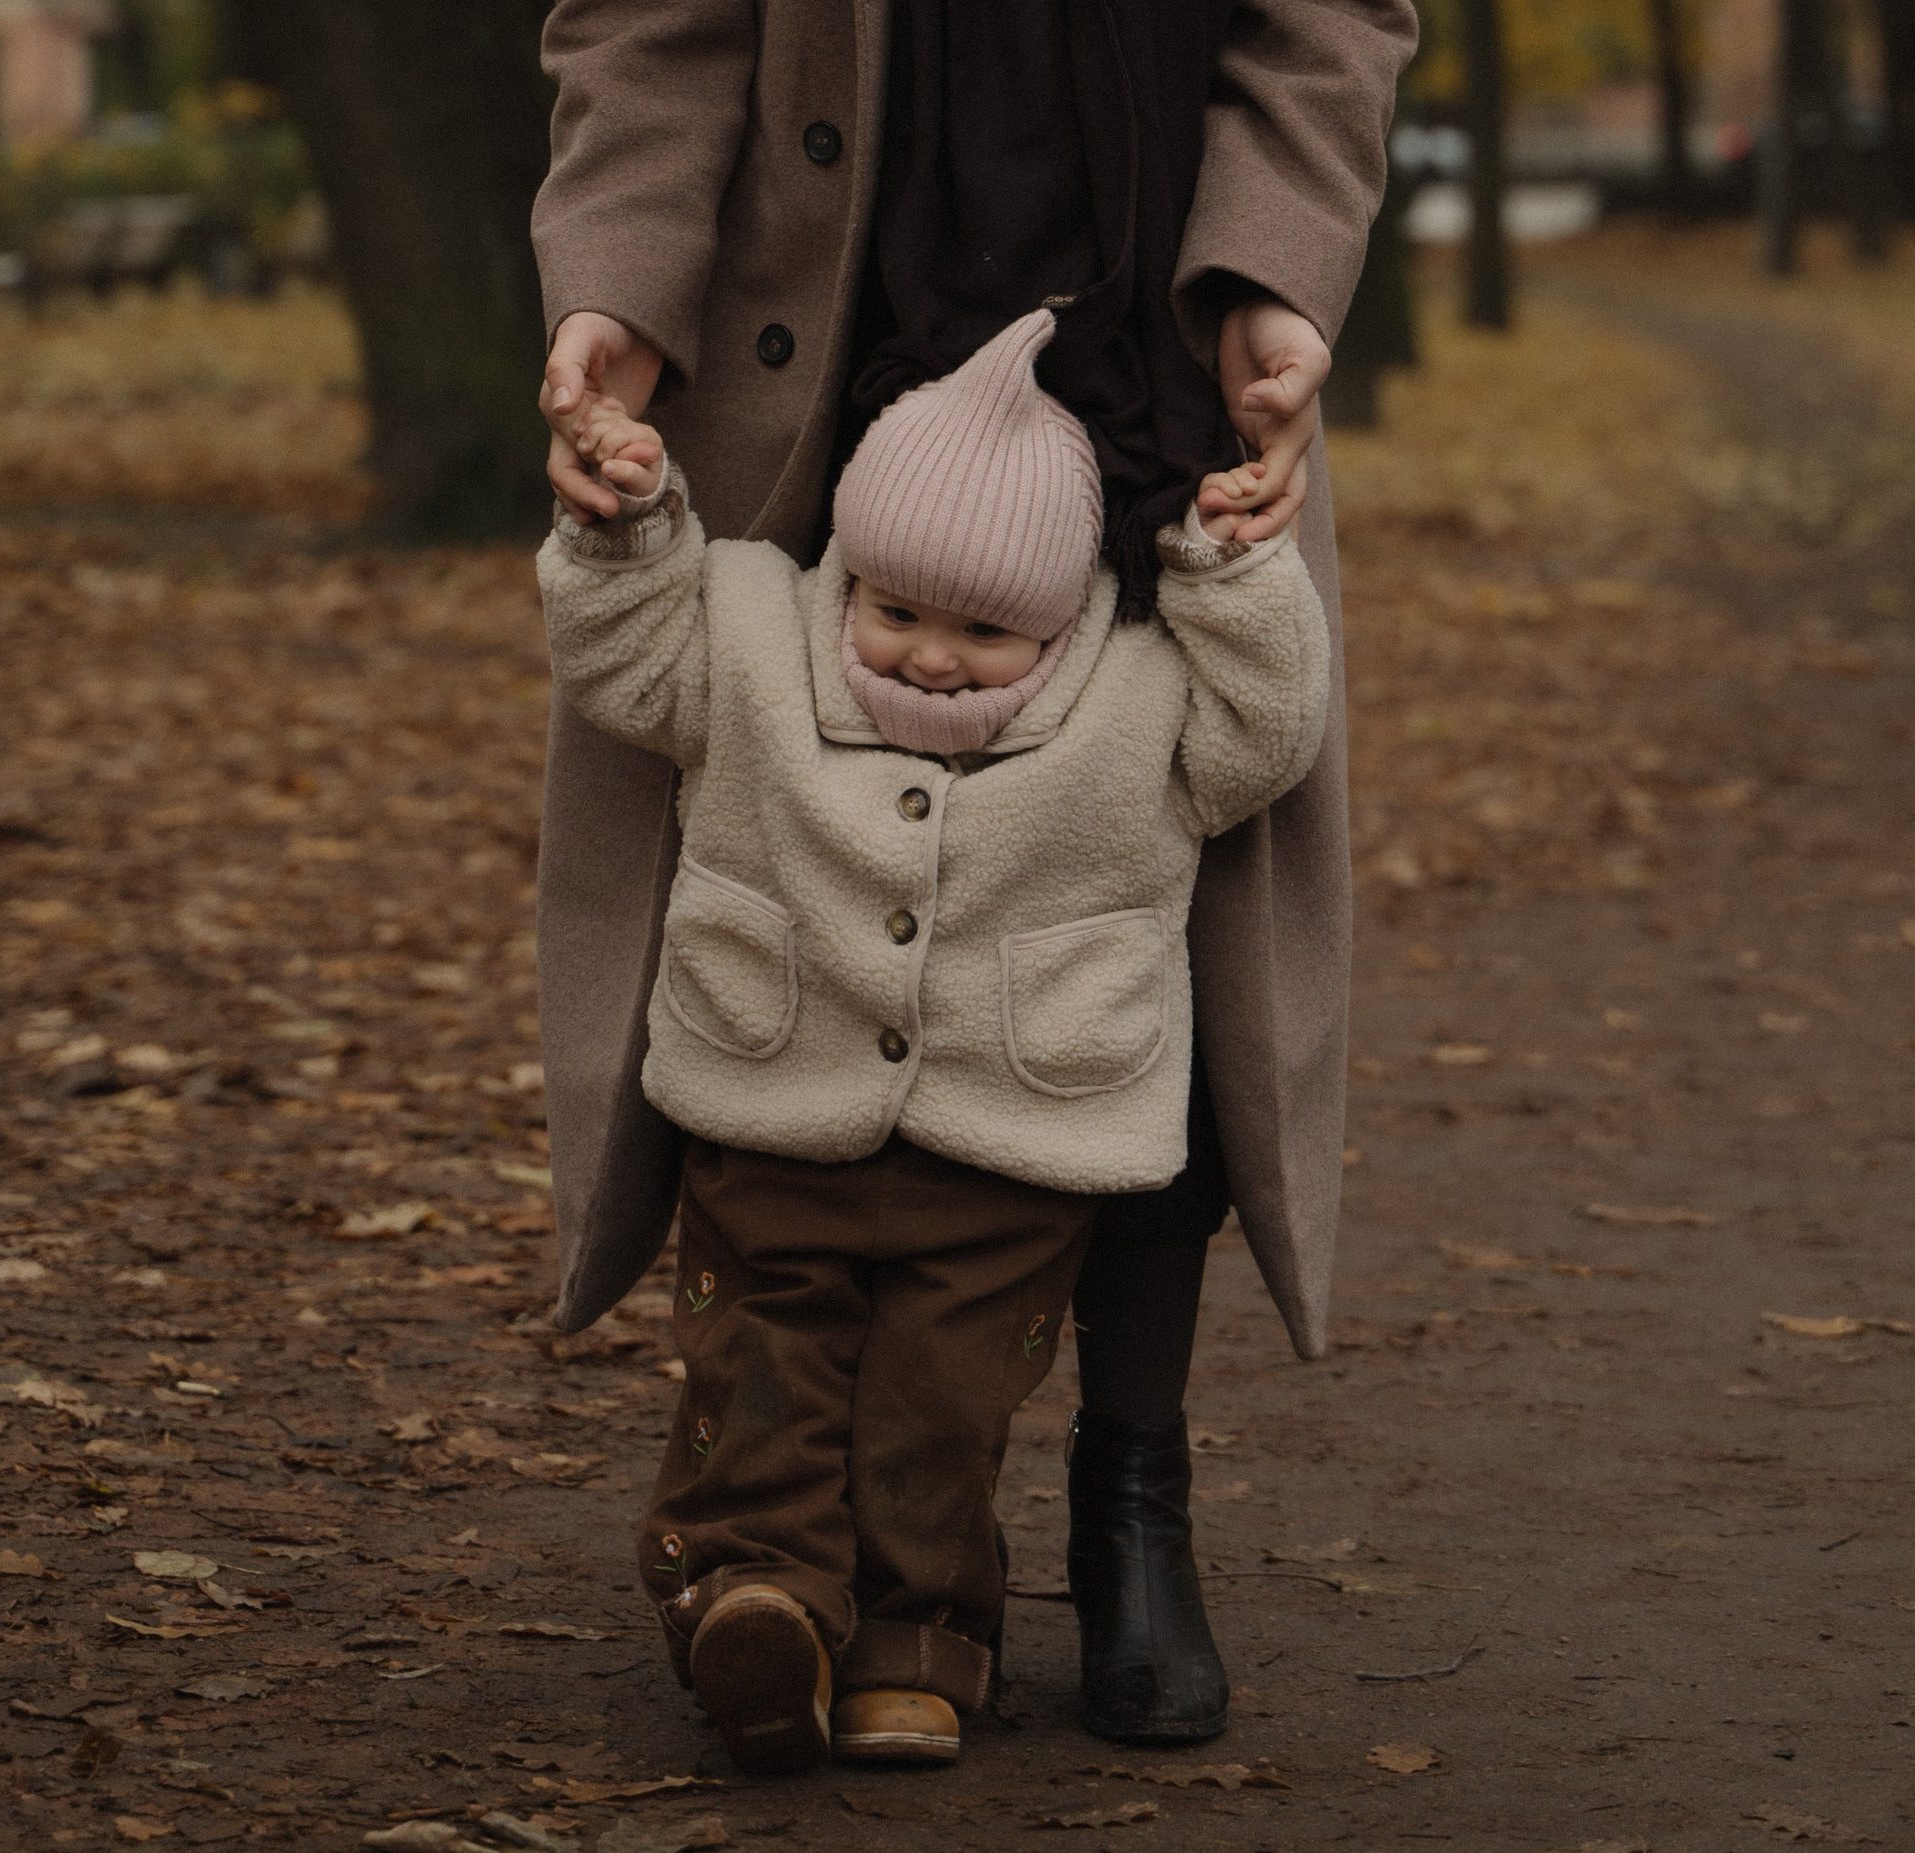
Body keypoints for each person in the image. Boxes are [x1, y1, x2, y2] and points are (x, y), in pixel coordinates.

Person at [528, 0, 1415, 1743]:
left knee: (1122, 917)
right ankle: (787, 1504)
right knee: (785, 930)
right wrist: (621, 284)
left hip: (1147, 354)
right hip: (824, 343)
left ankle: (1123, 1497)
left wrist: (1269, 280)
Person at [536, 311, 1329, 1772]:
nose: (936, 658)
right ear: (850, 569)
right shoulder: (753, 635)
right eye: (898, 611)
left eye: (985, 632)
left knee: (940, 1405)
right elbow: (622, 663)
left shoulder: (1143, 700)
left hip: (1009, 1151)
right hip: (771, 1108)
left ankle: (918, 1641)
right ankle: (758, 1598)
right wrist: (631, 524)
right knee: (758, 1365)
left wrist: (1227, 571)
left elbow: (1269, 734)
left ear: (1066, 619)